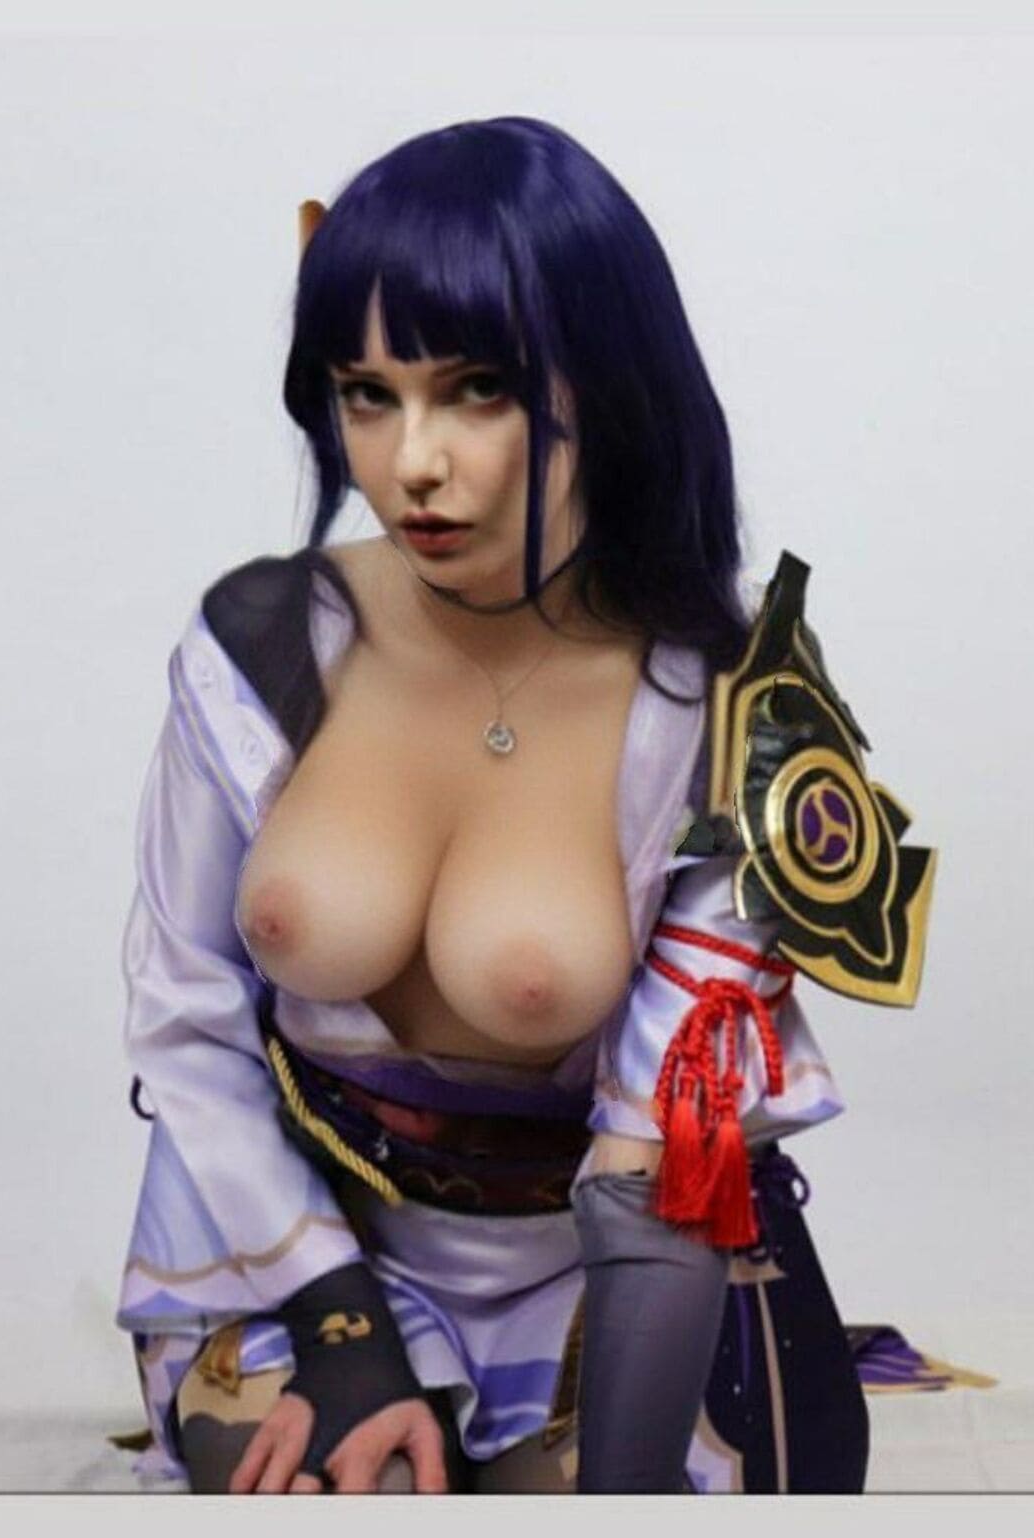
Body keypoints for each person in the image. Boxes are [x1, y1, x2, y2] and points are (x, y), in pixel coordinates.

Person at [115, 116, 934, 1495]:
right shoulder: (260, 646)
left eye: (476, 390)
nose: (410, 463)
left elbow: (660, 1149)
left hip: (606, 1276)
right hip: (287, 1249)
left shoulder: (732, 697)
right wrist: (343, 1332)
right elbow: (184, 1013)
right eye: (366, 394)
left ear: (605, 381)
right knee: (342, 1497)